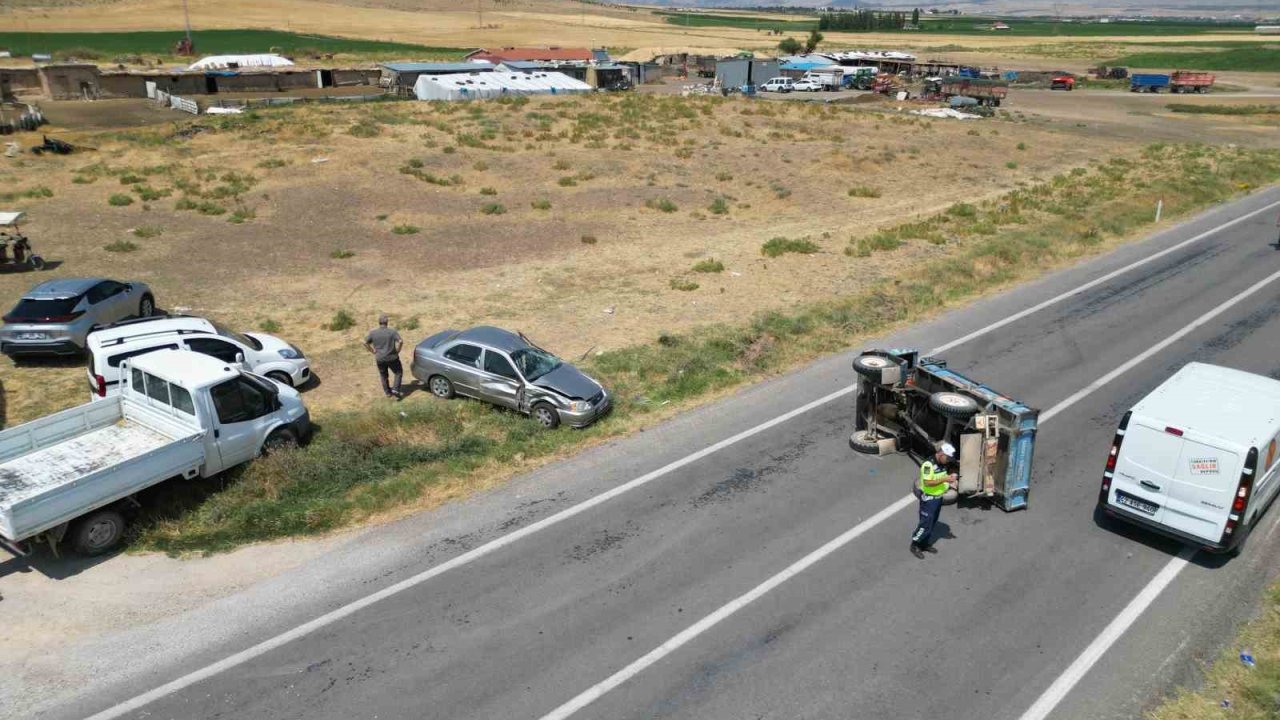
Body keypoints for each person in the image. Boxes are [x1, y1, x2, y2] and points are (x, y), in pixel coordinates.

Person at [911, 442, 958, 559]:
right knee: (925, 524)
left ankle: (924, 543)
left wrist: (951, 479)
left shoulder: (942, 463)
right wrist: (945, 479)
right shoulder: (928, 465)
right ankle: (915, 544)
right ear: (941, 454)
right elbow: (927, 482)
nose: (948, 461)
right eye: (947, 458)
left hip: (938, 498)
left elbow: (942, 476)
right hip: (929, 500)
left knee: (932, 522)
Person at [364, 314, 403, 400]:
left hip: (380, 358)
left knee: (383, 375)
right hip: (392, 357)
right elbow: (400, 341)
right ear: (387, 322)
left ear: (379, 323)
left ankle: (387, 393)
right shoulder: (392, 332)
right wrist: (398, 350)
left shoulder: (373, 333)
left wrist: (372, 351)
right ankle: (396, 389)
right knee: (398, 372)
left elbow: (365, 342)